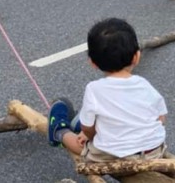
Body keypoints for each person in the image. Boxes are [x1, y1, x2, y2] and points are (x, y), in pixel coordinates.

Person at [47, 18, 168, 164]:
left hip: (110, 155)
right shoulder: (144, 84)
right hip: (152, 153)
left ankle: (59, 132)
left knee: (79, 142)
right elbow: (161, 117)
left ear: (92, 62)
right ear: (137, 56)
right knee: (96, 121)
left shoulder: (94, 89)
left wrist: (90, 136)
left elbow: (88, 128)